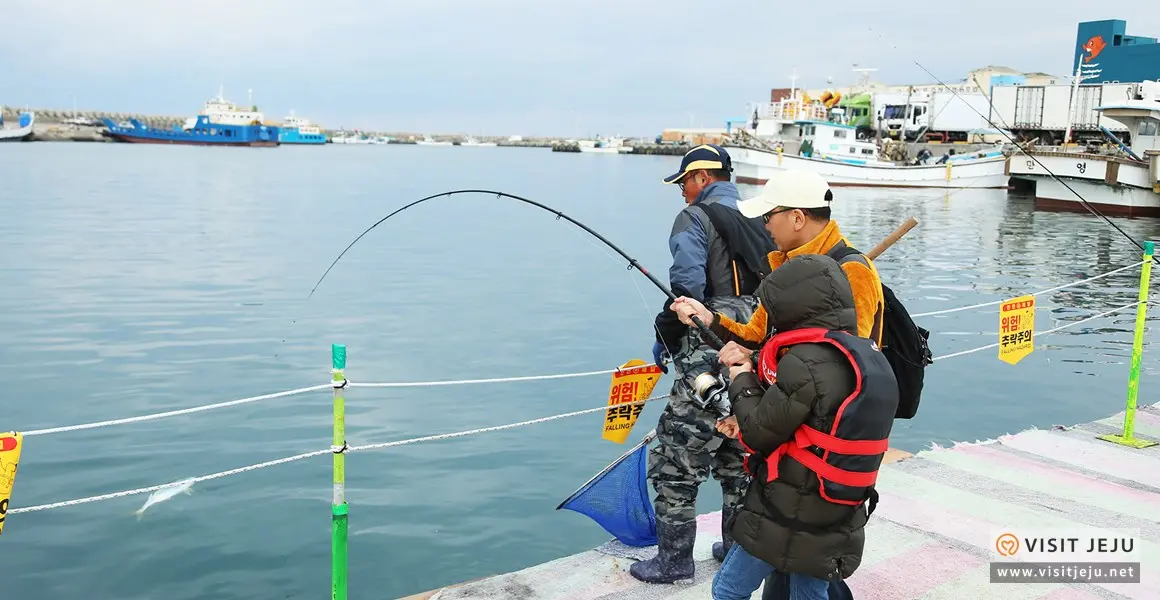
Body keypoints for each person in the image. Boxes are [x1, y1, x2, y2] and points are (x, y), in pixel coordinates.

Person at [707, 253, 900, 600]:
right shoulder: (869, 356)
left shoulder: (804, 362)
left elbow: (757, 432)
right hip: (840, 508)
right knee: (808, 595)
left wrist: (741, 377)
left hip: (785, 512)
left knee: (727, 590)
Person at [632, 143, 775, 584]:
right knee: (741, 449)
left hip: (709, 342)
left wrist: (667, 336)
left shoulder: (694, 217)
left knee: (676, 455)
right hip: (757, 342)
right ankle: (736, 551)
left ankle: (674, 562)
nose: (681, 192)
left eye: (684, 183)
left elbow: (687, 287)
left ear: (702, 178)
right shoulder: (764, 216)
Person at [671, 169, 885, 370]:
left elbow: (844, 363)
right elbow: (755, 335)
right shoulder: (784, 266)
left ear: (797, 218)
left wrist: (755, 358)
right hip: (788, 400)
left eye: (768, 217)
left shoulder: (853, 271)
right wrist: (709, 319)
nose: (766, 226)